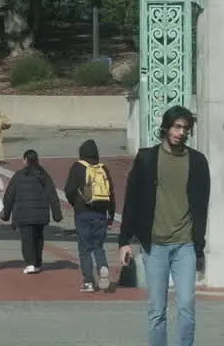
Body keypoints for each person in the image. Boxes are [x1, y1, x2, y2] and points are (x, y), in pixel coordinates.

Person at [119, 106, 210, 346]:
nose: (181, 132)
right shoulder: (147, 159)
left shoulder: (198, 162)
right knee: (156, 309)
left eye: (186, 128)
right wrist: (124, 241)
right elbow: (132, 200)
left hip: (185, 246)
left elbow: (202, 206)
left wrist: (199, 246)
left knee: (187, 306)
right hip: (155, 246)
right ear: (166, 127)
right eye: (177, 126)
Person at [63, 138, 117, 292]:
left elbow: (69, 190)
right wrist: (111, 215)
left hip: (82, 213)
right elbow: (111, 193)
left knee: (85, 248)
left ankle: (88, 281)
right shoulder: (103, 169)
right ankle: (103, 267)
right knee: (98, 246)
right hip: (101, 213)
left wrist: (76, 203)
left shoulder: (77, 167)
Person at [0, 149, 62, 274]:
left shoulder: (18, 176)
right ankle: (37, 263)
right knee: (38, 239)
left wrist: (5, 214)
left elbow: (9, 196)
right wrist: (57, 214)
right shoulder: (44, 175)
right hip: (40, 215)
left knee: (27, 239)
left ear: (25, 160)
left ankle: (30, 263)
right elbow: (52, 195)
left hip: (24, 214)